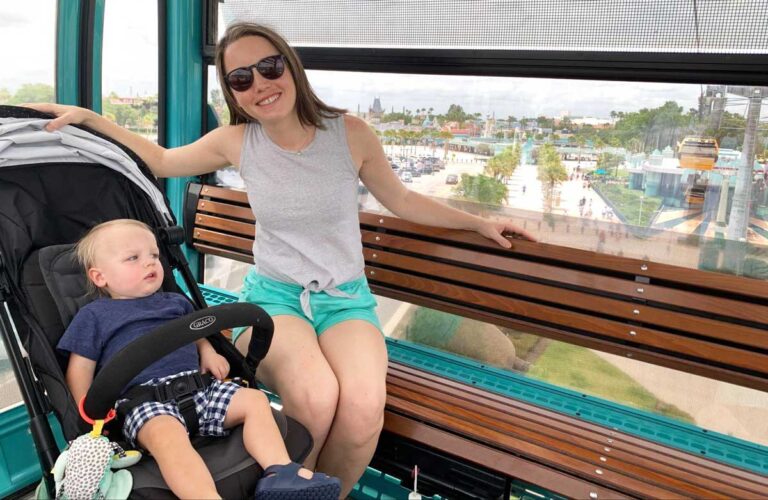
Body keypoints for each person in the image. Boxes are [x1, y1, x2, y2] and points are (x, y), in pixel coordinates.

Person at [28, 22, 534, 496]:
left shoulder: (350, 133)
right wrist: (92, 120)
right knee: (315, 399)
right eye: (241, 79)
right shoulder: (238, 141)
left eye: (270, 68)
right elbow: (161, 160)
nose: (261, 85)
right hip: (276, 299)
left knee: (361, 411)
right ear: (232, 91)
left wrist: (476, 222)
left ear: (290, 66)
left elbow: (401, 200)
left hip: (343, 299)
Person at [57, 219, 341, 500]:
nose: (150, 263)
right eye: (133, 258)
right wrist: (91, 412)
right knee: (168, 439)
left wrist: (207, 351)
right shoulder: (94, 316)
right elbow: (81, 367)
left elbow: (194, 332)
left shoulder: (175, 302)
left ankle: (280, 473)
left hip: (202, 388)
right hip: (145, 402)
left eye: (154, 255)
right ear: (100, 277)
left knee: (254, 401)